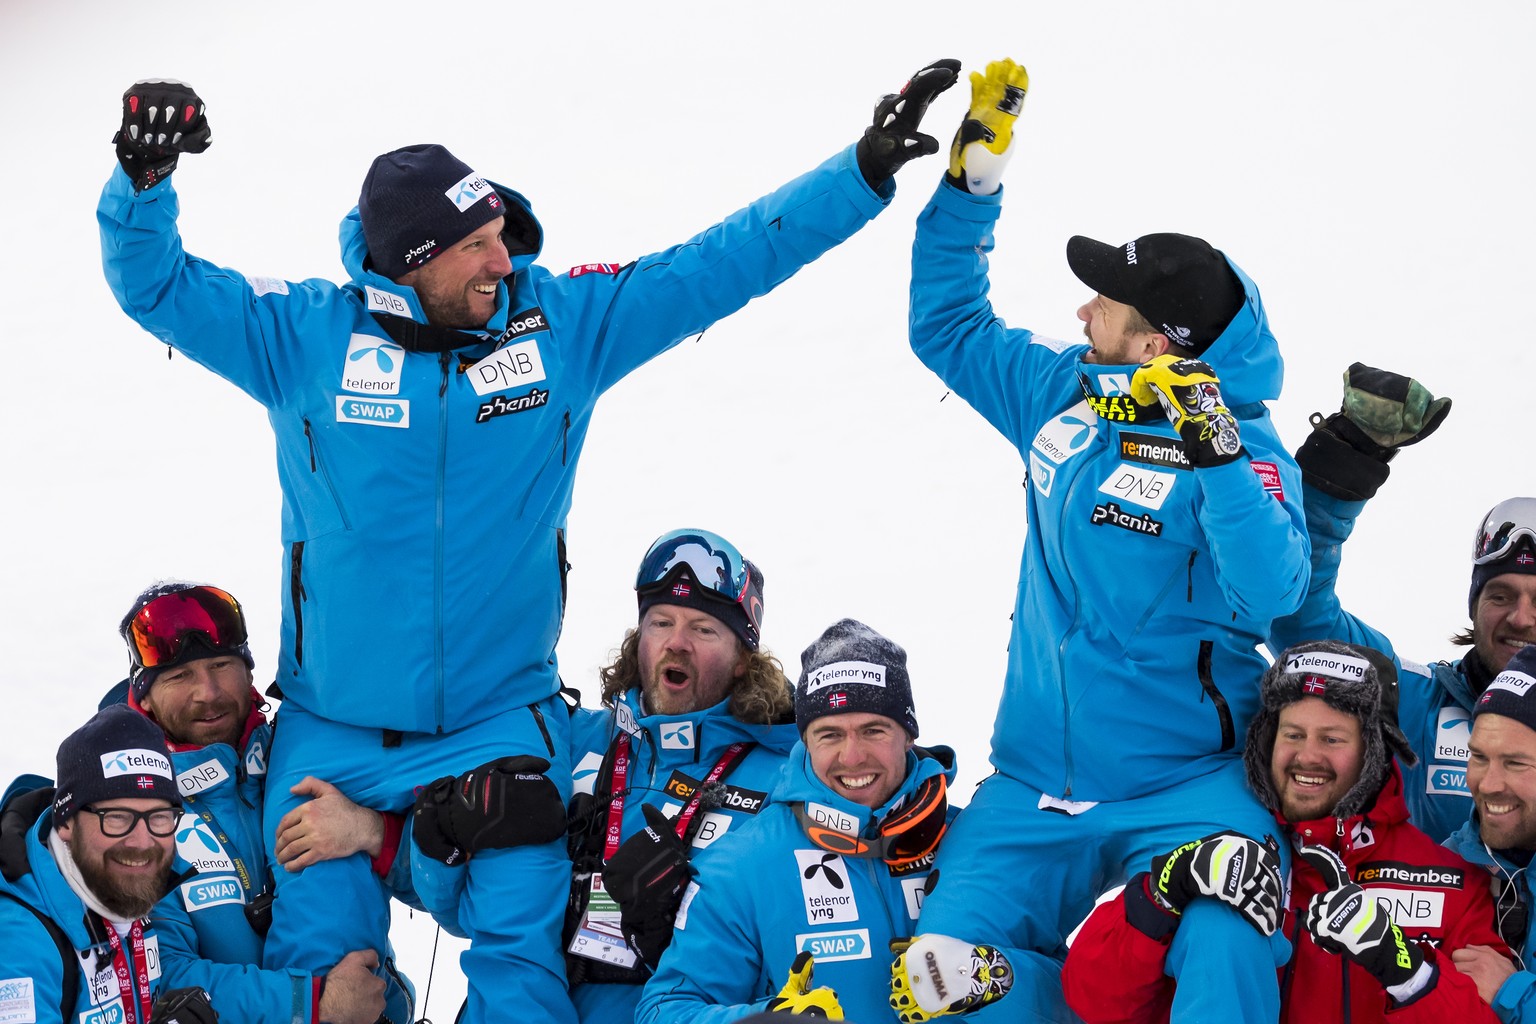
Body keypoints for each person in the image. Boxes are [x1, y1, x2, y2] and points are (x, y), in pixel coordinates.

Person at [97, 60, 959, 1024]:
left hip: (501, 722)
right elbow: (155, 284)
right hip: (331, 730)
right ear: (409, 260)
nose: (503, 262)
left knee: (521, 968)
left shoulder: (563, 329)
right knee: (326, 974)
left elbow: (717, 263)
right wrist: (142, 183)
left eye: (501, 234)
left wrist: (861, 173)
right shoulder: (301, 338)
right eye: (474, 245)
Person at [897, 58, 1308, 1020]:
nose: (1083, 311)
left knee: (1223, 932)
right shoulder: (1066, 397)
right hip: (1035, 780)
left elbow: (1272, 592)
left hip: (1189, 785)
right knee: (941, 981)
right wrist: (972, 185)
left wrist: (1213, 456)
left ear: (1160, 342)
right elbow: (946, 326)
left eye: (1107, 303)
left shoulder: (1243, 447)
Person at [408, 528, 801, 1024]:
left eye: (704, 629)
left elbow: (800, 953)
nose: (676, 643)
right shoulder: (567, 742)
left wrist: (678, 928)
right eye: (661, 622)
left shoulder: (784, 782)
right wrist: (439, 838)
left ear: (745, 660)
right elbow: (463, 910)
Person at [637, 619, 1073, 1024]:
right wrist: (765, 1020)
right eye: (830, 735)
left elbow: (1077, 993)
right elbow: (663, 1010)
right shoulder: (742, 865)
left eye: (874, 730)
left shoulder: (976, 844)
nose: (852, 756)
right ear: (805, 742)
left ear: (908, 734)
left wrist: (998, 978)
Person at [1064, 638, 1509, 1022]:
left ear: (1373, 751)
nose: (1307, 757)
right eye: (1292, 734)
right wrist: (1162, 892)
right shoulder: (1219, 847)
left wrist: (1407, 972)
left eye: (1333, 739)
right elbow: (1095, 1003)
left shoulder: (1452, 882)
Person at [1270, 365, 1532, 843]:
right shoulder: (1408, 695)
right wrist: (1347, 458)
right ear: (1473, 604)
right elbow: (1297, 614)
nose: (1521, 618)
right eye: (1500, 595)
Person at [115, 581, 393, 1024]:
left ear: (249, 670)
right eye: (179, 676)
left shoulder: (316, 754)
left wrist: (374, 831)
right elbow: (157, 980)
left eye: (221, 665)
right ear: (144, 696)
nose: (207, 692)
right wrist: (311, 1002)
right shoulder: (127, 814)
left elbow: (445, 867)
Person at [0, 705, 217, 1024]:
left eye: (158, 817)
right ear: (67, 823)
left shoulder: (129, 890)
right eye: (117, 818)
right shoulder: (20, 944)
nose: (142, 842)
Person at [1445, 643, 1536, 1019]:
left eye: (1515, 763)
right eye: (1479, 757)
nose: (1489, 783)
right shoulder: (1440, 867)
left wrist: (1513, 993)